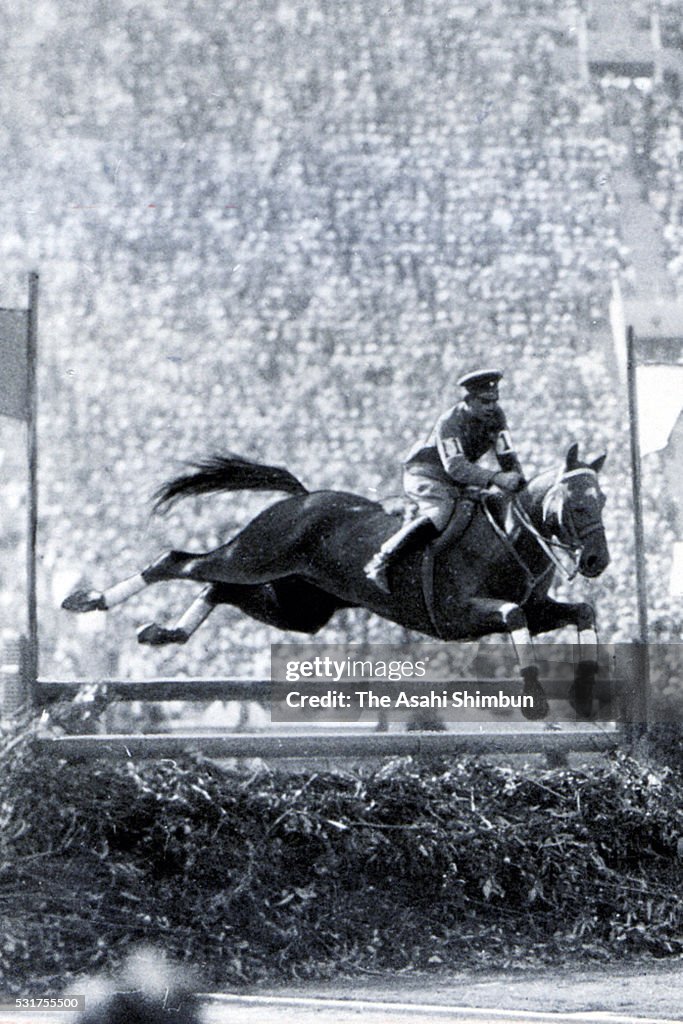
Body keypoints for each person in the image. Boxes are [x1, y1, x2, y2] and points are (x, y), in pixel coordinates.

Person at [364, 368, 526, 592]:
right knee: (441, 512)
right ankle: (382, 560)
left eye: (494, 401)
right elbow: (456, 467)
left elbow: (506, 454)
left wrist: (519, 480)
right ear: (468, 400)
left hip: (455, 480)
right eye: (484, 402)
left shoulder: (497, 417)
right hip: (425, 474)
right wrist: (497, 477)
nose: (491, 407)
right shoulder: (450, 422)